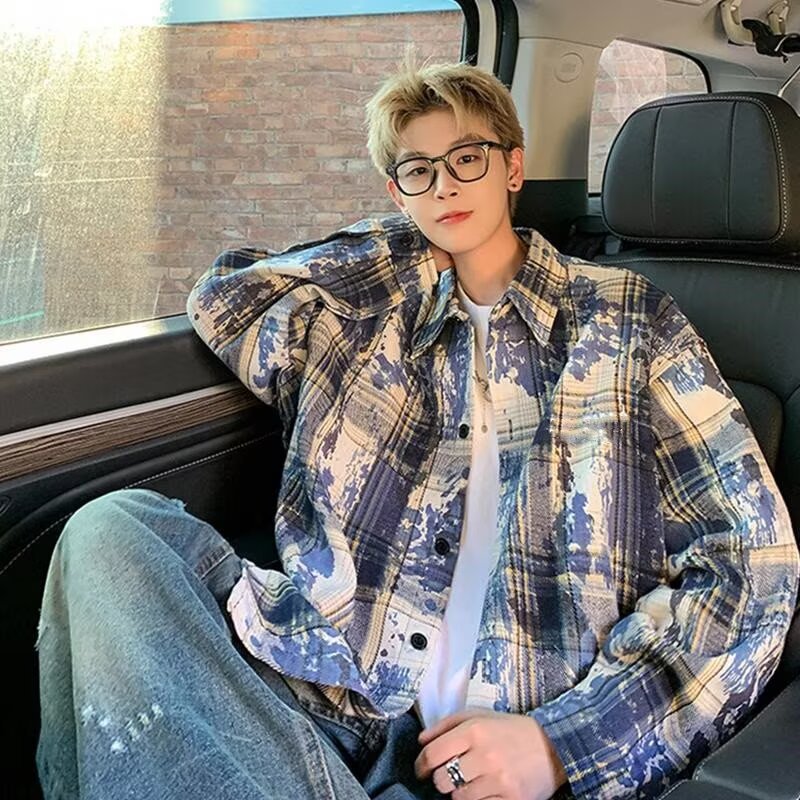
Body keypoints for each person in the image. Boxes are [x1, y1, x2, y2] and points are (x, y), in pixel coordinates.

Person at [35, 57, 799, 800]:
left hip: (509, 738)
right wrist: (403, 249)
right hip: (332, 689)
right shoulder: (359, 318)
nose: (445, 185)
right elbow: (225, 299)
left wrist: (561, 745)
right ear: (396, 191)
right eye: (418, 170)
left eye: (466, 158)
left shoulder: (624, 317)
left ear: (513, 167)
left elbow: (753, 564)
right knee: (110, 533)